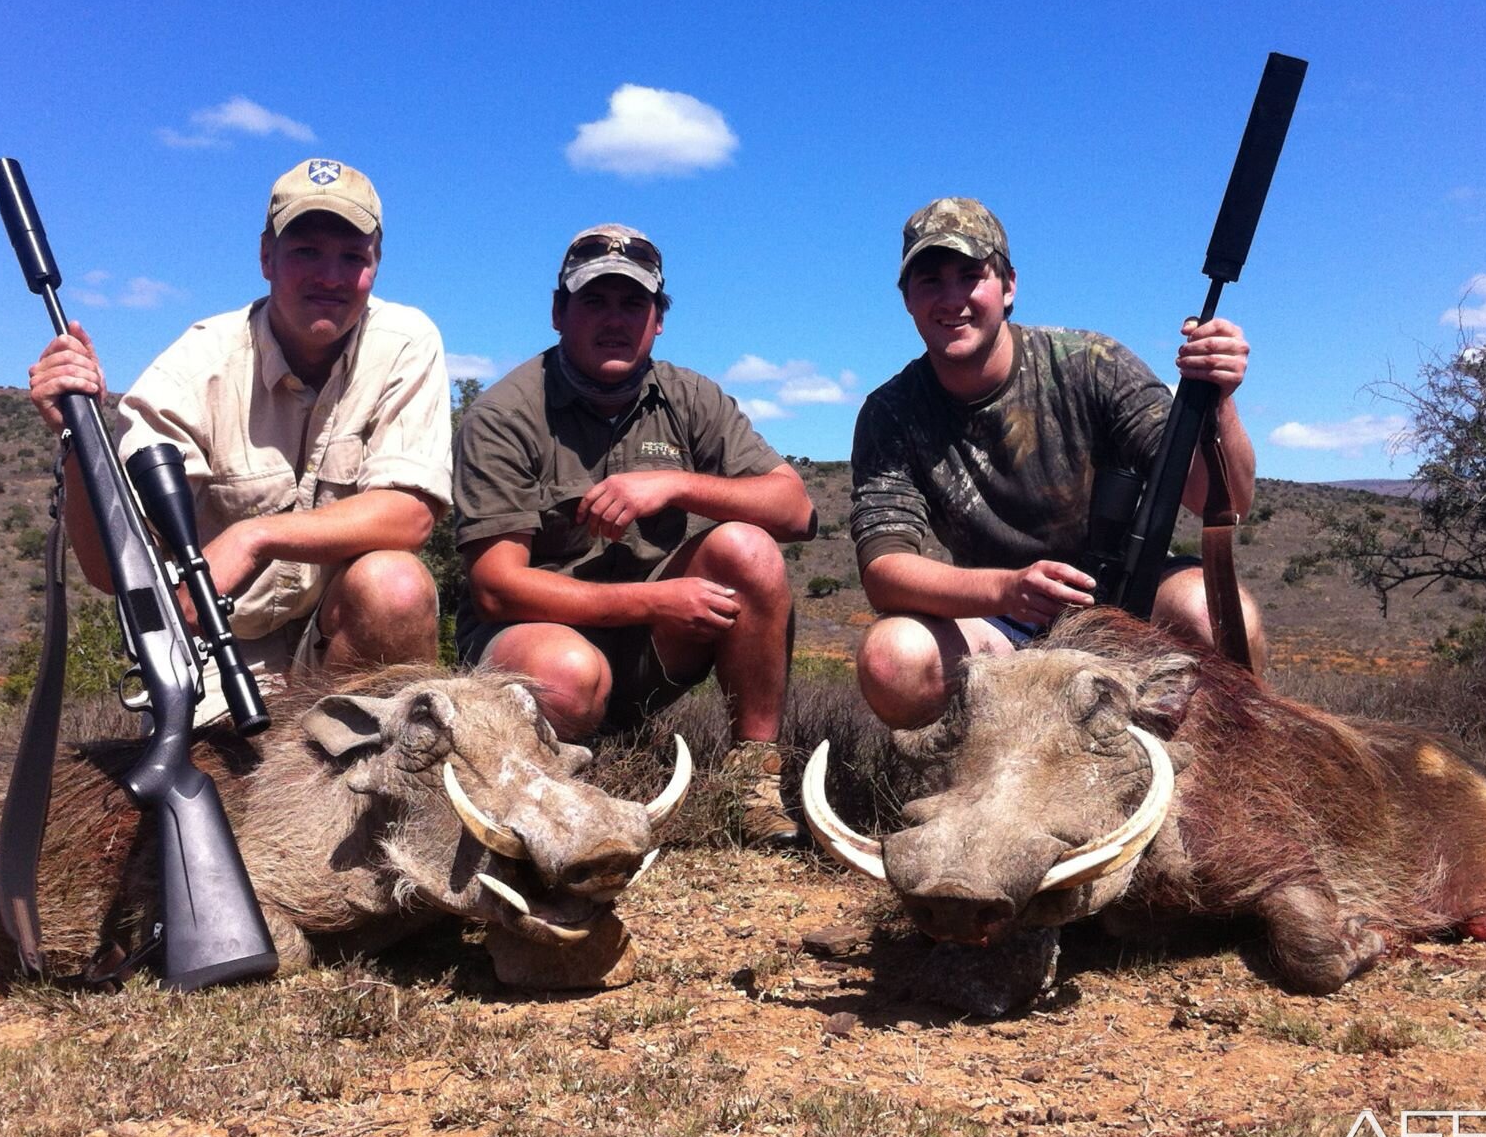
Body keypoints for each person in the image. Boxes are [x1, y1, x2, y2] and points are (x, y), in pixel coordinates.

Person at [26, 158, 451, 695]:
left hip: (340, 641)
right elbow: (115, 572)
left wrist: (255, 536)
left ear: (377, 263)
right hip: (221, 653)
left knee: (395, 586)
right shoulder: (193, 368)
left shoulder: (406, 342)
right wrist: (76, 439)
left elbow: (409, 515)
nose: (331, 276)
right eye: (306, 252)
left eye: (353, 257)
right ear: (266, 257)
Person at [452, 224, 817, 841]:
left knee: (748, 550)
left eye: (634, 304)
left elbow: (795, 511)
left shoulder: (692, 397)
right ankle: (544, 797)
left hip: (650, 648)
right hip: (540, 645)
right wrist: (652, 601)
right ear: (558, 313)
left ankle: (752, 783)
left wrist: (674, 484)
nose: (614, 320)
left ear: (658, 320)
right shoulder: (503, 415)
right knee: (568, 672)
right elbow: (495, 588)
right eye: (594, 301)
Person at [850, 197, 1266, 729]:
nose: (951, 298)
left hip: (1128, 598)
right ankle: (954, 778)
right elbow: (884, 572)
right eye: (929, 280)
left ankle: (1236, 771)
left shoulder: (1093, 364)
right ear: (907, 297)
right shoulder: (890, 412)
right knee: (894, 658)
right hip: (999, 619)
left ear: (1008, 285)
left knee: (1212, 614)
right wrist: (1009, 590)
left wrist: (1219, 400)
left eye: (971, 275)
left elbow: (1226, 503)